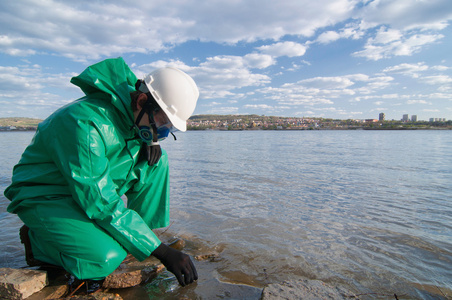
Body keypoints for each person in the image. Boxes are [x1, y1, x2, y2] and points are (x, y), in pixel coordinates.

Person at [4, 57, 199, 287]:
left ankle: (139, 236)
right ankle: (37, 242)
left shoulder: (133, 118)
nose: (163, 133)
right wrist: (162, 252)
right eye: (162, 123)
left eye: (169, 128)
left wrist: (149, 139)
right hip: (47, 195)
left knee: (157, 160)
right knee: (105, 259)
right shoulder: (84, 124)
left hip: (83, 190)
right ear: (142, 100)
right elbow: (100, 200)